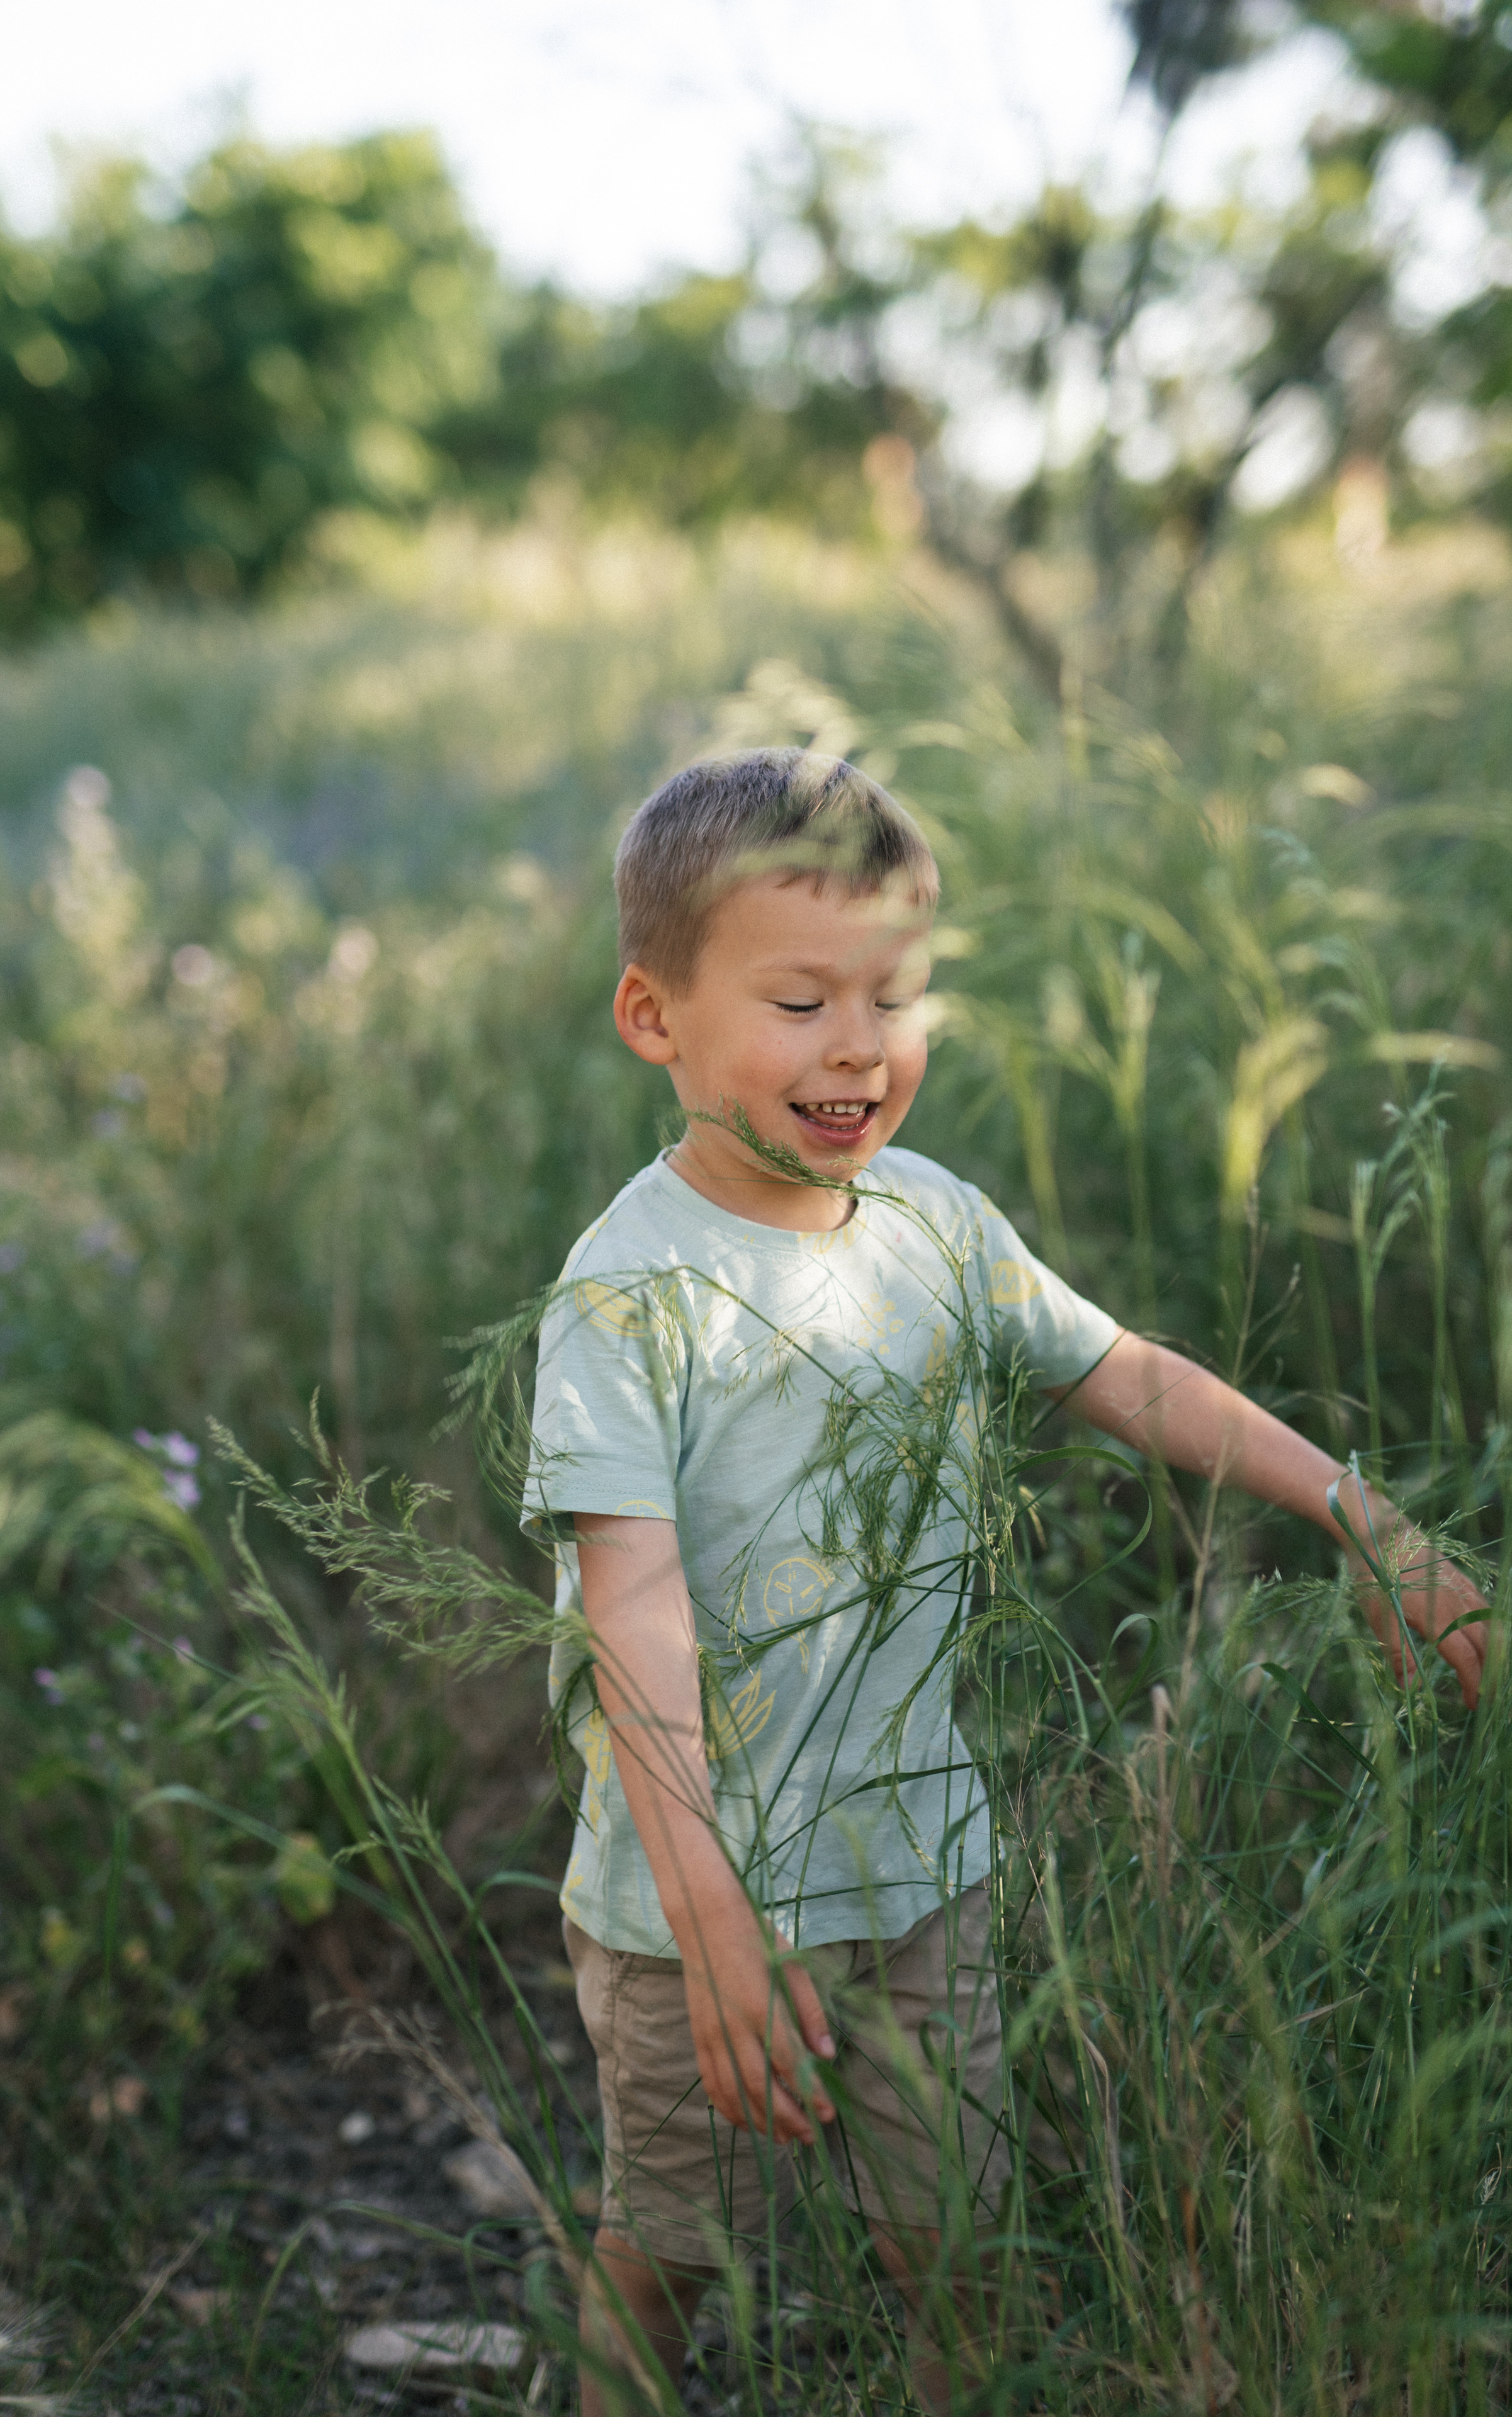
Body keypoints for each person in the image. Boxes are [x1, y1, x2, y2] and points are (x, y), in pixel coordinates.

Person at [520, 748, 1491, 2414]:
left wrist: (1370, 1517)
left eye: (895, 993)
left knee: (956, 2240)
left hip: (923, 1866)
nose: (859, 1046)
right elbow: (638, 1615)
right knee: (673, 2248)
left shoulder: (935, 1223)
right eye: (802, 997)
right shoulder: (629, 1293)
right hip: (696, 1914)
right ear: (654, 1015)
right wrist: (712, 1914)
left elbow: (1133, 1377)